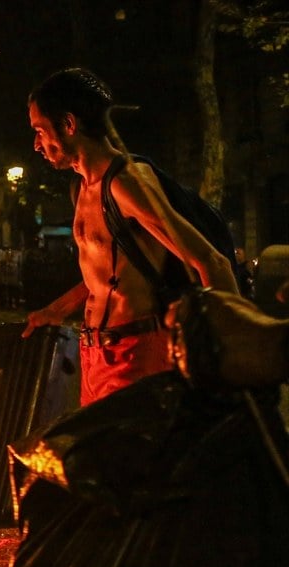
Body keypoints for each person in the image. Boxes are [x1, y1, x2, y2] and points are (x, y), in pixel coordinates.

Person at [21, 67, 238, 405]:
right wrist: (57, 309)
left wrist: (230, 357)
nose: (37, 144)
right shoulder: (82, 189)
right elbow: (110, 277)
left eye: (40, 130)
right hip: (95, 358)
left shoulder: (125, 184)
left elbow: (211, 261)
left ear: (69, 124)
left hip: (135, 357)